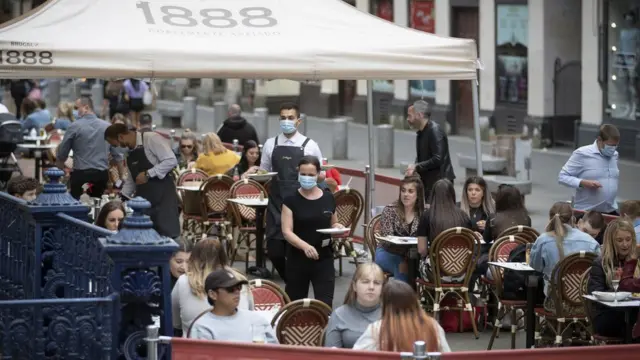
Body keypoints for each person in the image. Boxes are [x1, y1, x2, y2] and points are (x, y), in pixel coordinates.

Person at [261, 103, 324, 281]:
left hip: (300, 204)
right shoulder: (270, 144)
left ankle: (297, 284)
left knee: (298, 248)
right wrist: (257, 174)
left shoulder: (310, 145)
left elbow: (321, 174)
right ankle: (291, 279)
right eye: (283, 118)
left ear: (298, 121)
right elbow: (264, 172)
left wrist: (314, 179)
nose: (286, 121)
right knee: (274, 250)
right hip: (276, 203)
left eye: (290, 118)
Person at [281, 156, 344, 306]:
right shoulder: (290, 199)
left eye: (311, 175)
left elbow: (334, 222)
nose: (306, 178)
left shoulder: (328, 197)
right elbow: (287, 231)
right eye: (303, 174)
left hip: (324, 257)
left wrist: (338, 227)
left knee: (324, 305)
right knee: (294, 306)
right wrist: (305, 247)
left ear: (318, 175)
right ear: (298, 174)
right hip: (298, 258)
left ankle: (322, 329)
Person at [104, 123, 180, 239]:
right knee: (145, 237)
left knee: (167, 237)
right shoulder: (129, 153)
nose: (117, 148)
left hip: (163, 199)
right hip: (144, 201)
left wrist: (148, 174)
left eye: (115, 145)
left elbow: (171, 161)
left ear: (121, 137)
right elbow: (131, 180)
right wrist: (120, 199)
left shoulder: (151, 139)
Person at [172, 238, 254, 335]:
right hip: (236, 344)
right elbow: (250, 315)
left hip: (195, 346)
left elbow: (174, 321)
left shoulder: (183, 281)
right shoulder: (239, 279)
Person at [529, 202, 600, 312]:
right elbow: (598, 268)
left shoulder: (543, 240)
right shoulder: (590, 241)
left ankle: (551, 328)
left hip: (557, 302)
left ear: (550, 218)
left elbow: (536, 267)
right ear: (572, 218)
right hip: (586, 302)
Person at [353, 279, 451, 352]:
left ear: (384, 304)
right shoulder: (432, 326)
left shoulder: (377, 329)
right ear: (414, 301)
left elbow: (356, 356)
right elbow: (447, 356)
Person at [56, 96, 124, 199]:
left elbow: (62, 154)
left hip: (81, 175)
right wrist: (121, 178)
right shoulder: (107, 127)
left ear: (86, 107)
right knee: (97, 203)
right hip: (101, 175)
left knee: (77, 204)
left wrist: (57, 177)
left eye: (76, 108)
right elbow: (118, 156)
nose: (74, 111)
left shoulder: (74, 126)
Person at [188, 269, 277, 343]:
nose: (237, 292)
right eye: (230, 289)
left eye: (239, 288)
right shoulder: (202, 327)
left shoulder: (257, 320)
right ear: (212, 294)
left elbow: (277, 353)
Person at [588, 219, 638, 339]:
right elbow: (595, 293)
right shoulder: (600, 263)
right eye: (619, 240)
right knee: (629, 324)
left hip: (635, 312)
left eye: (628, 239)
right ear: (611, 241)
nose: (625, 244)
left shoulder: (637, 262)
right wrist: (620, 289)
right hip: (608, 314)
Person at [417, 179, 472, 282]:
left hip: (436, 272)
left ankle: (430, 296)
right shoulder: (464, 216)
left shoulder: (427, 216)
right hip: (462, 273)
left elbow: (422, 250)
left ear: (433, 195)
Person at [558, 124, 620, 215]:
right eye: (610, 145)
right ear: (599, 140)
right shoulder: (582, 154)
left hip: (609, 211)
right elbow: (562, 177)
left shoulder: (615, 155)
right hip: (587, 213)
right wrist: (582, 182)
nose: (613, 149)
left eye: (615, 146)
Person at [375, 176, 425, 283]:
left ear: (418, 195)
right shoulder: (390, 210)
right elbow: (386, 240)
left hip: (415, 254)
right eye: (403, 191)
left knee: (426, 265)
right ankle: (402, 298)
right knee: (402, 265)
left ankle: (422, 297)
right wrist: (407, 254)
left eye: (410, 191)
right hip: (387, 252)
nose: (406, 194)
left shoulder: (423, 213)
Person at [324, 263, 384, 349]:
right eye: (365, 282)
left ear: (382, 288)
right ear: (354, 286)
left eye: (377, 283)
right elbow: (331, 355)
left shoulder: (391, 315)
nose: (371, 287)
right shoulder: (339, 315)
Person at [405, 100, 454, 200]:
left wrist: (417, 166)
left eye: (410, 116)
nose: (407, 119)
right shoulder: (421, 132)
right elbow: (422, 156)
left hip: (440, 185)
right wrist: (414, 167)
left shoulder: (434, 131)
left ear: (419, 115)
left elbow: (438, 158)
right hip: (430, 183)